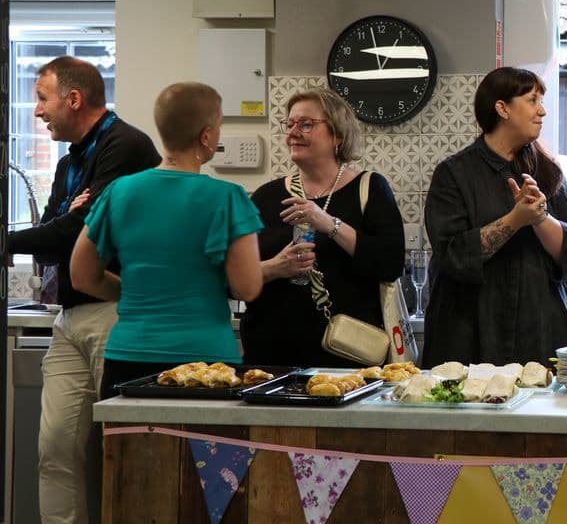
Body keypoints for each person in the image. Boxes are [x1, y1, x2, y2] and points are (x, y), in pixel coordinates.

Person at [4, 56, 160, 524]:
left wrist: (61, 225)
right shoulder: (71, 161)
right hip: (70, 318)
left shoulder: (126, 145)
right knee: (54, 449)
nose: (37, 112)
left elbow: (82, 231)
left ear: (73, 99)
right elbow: (56, 233)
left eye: (42, 99)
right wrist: (65, 223)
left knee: (124, 451)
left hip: (116, 311)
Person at [69, 83, 263, 399]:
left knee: (126, 449)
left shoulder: (120, 191)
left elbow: (82, 275)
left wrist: (136, 292)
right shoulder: (228, 198)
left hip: (129, 355)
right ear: (206, 135)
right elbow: (247, 287)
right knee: (199, 451)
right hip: (206, 361)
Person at [422, 67, 567, 365]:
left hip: (542, 327)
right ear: (502, 108)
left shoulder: (548, 171)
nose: (542, 111)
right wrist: (515, 219)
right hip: (471, 331)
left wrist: (540, 217)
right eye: (532, 100)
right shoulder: (454, 173)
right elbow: (452, 255)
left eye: (542, 101)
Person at [243, 88, 405, 367]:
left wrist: (327, 223)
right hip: (270, 359)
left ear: (337, 136)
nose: (293, 132)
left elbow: (389, 264)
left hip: (346, 360)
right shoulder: (265, 196)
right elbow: (235, 279)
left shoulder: (370, 188)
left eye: (306, 124)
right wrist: (275, 268)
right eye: (290, 124)